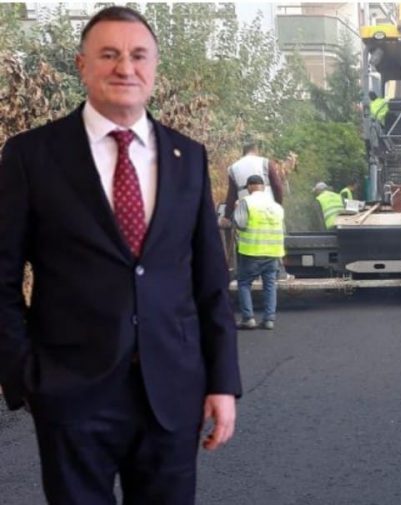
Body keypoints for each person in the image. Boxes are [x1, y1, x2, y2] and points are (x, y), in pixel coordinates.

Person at [0, 7, 241, 504]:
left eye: (138, 55)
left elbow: (210, 282)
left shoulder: (188, 157)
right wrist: (26, 375)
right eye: (108, 55)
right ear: (81, 65)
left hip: (172, 393)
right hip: (71, 392)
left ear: (154, 67)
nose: (124, 68)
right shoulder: (30, 155)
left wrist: (222, 383)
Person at [234, 175, 285, 330]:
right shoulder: (276, 206)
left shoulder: (246, 202)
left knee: (244, 283)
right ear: (263, 187)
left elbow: (240, 224)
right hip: (272, 252)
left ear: (249, 187)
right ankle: (269, 320)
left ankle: (248, 319)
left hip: (251, 252)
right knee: (269, 285)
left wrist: (234, 212)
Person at [223, 140, 284, 223]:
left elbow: (231, 196)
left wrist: (226, 216)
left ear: (243, 152)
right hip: (268, 213)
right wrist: (278, 206)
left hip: (246, 215)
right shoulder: (265, 163)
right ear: (256, 151)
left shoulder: (233, 168)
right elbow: (277, 187)